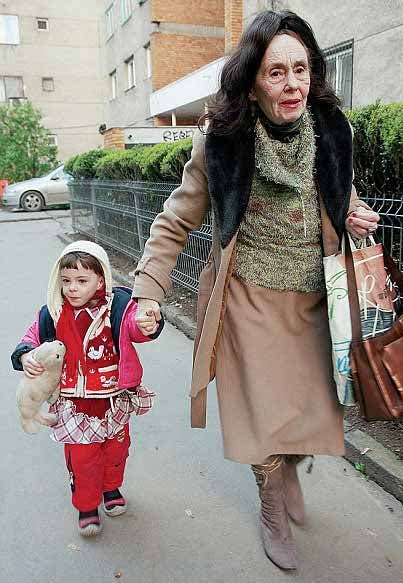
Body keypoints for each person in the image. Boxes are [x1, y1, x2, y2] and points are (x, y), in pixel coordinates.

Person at [133, 10, 380, 570]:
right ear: (251, 83)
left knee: (309, 405)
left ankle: (290, 465)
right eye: (276, 73)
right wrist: (150, 288)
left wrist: (354, 213)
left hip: (315, 296)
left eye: (301, 69)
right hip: (245, 297)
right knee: (257, 412)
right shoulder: (222, 144)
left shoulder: (332, 131)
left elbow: (344, 195)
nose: (292, 84)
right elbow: (176, 219)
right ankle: (270, 501)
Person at [11, 241, 163, 537]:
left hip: (113, 403)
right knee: (82, 461)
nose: (72, 288)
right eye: (66, 280)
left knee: (117, 451)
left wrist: (147, 323)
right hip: (73, 406)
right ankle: (87, 505)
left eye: (82, 281)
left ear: (101, 280)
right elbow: (29, 340)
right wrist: (27, 355)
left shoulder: (117, 309)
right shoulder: (52, 314)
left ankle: (111, 489)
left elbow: (135, 326)